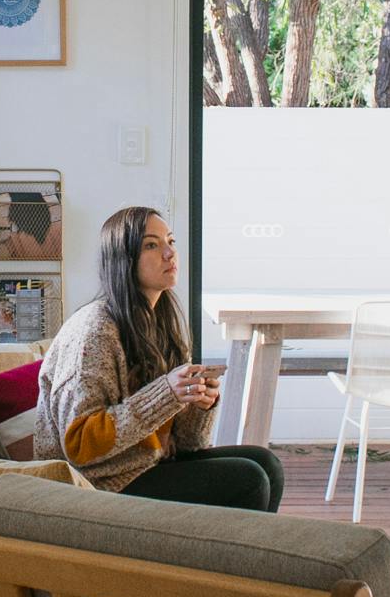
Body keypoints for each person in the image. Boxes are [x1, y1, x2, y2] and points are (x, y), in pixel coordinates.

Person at [36, 206, 284, 511]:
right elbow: (79, 446)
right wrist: (164, 394)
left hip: (146, 466)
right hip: (100, 486)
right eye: (152, 245)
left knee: (267, 464)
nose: (170, 253)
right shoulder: (95, 330)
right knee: (250, 479)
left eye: (171, 241)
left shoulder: (162, 322)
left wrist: (199, 404)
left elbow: (189, 444)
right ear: (123, 260)